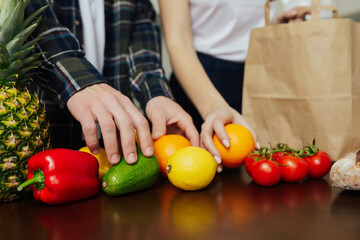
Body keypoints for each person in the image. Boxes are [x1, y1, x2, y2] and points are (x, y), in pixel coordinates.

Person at [25, 0, 199, 165]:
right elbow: (39, 29)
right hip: (46, 139)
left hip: (115, 146)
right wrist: (82, 83)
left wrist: (158, 96)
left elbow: (142, 57)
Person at [158, 0, 308, 166]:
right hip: (199, 80)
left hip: (259, 74)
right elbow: (178, 42)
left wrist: (274, 30)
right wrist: (213, 107)